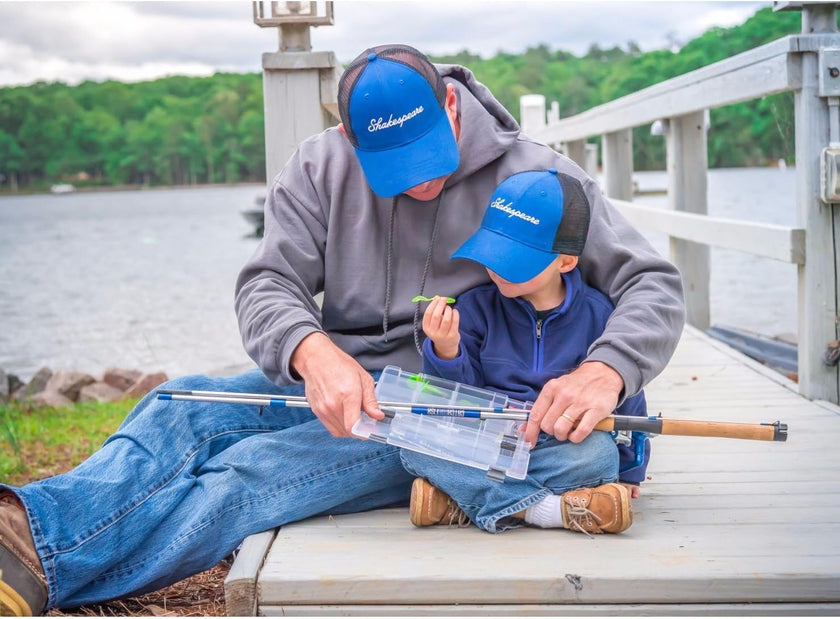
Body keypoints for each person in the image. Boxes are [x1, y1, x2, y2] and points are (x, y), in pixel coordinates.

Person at [0, 44, 684, 615]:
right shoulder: (316, 166)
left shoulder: (539, 179)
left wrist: (607, 369)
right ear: (348, 137)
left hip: (441, 409)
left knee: (245, 477)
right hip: (341, 382)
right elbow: (266, 285)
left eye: (428, 155)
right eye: (396, 169)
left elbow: (652, 282)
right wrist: (311, 350)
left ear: (451, 105)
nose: (420, 184)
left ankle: (41, 578)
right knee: (178, 405)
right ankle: (23, 534)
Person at [404, 169, 650, 535]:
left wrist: (630, 471)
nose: (498, 268)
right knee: (412, 445)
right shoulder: (476, 308)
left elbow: (628, 399)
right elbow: (455, 397)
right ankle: (545, 510)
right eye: (493, 252)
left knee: (600, 455)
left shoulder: (598, 316)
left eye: (516, 260)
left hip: (558, 445)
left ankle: (461, 500)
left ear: (565, 261)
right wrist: (446, 347)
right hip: (486, 440)